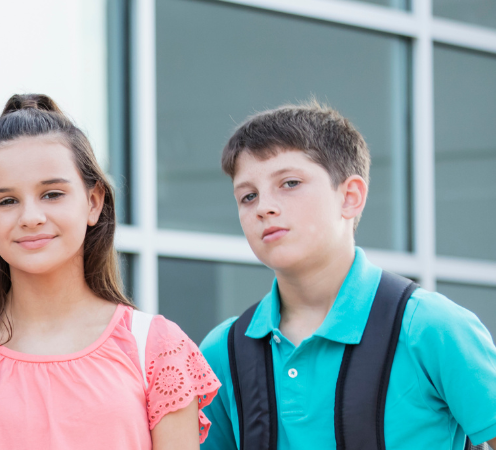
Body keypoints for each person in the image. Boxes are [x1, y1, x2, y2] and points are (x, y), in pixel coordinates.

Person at [199, 102, 496, 449]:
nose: (264, 206)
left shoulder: (430, 327)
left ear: (350, 196)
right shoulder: (223, 351)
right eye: (248, 196)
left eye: (290, 183)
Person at [0, 94, 220, 449]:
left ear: (94, 202)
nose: (31, 217)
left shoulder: (156, 347)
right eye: (7, 201)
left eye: (52, 194)